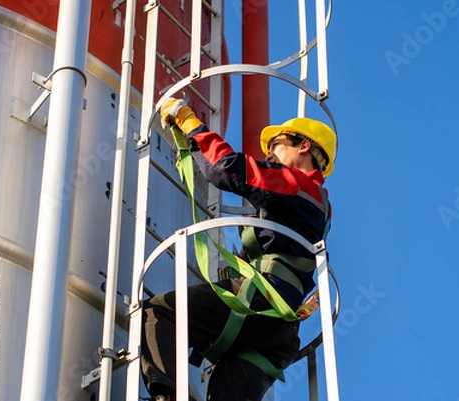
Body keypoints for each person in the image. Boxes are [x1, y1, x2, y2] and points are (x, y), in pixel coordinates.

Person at [140, 97, 337, 401]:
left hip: (262, 299)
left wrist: (188, 120)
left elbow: (225, 168)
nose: (270, 154)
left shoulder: (295, 183)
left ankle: (166, 397)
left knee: (160, 313)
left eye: (277, 145)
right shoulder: (320, 206)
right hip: (280, 332)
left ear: (304, 147)